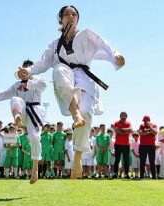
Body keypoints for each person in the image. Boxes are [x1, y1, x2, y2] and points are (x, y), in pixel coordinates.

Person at [16, 5, 125, 179]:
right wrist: (27, 72)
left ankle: (78, 157)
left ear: (77, 19)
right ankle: (75, 114)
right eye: (66, 14)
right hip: (65, 78)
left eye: (74, 14)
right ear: (61, 20)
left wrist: (116, 57)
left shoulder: (87, 35)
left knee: (86, 112)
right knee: (58, 69)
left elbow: (105, 46)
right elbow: (42, 63)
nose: (70, 16)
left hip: (85, 78)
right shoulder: (54, 45)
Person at [0, 59, 46, 184]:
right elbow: (0, 95)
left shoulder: (38, 80)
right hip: (23, 110)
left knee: (35, 138)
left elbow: (43, 86)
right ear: (21, 70)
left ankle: (35, 169)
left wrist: (28, 84)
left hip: (35, 111)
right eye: (24, 69)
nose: (26, 71)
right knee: (15, 99)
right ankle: (16, 117)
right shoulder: (16, 85)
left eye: (29, 69)